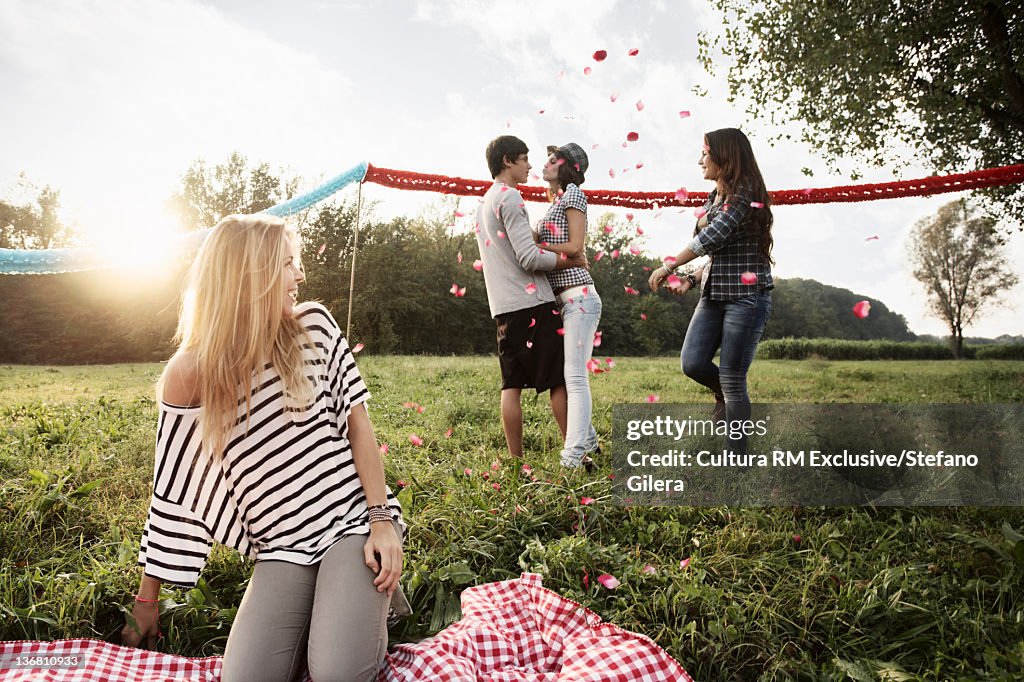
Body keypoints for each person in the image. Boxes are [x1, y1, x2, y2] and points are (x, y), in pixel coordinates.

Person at [121, 214, 405, 682]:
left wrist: (381, 523)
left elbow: (359, 428)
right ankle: (334, 610)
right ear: (247, 276)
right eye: (287, 264)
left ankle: (363, 605)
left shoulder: (313, 325)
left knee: (335, 673)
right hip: (280, 547)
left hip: (352, 523)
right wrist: (147, 600)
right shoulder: (190, 373)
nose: (300, 276)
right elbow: (171, 489)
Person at [647, 128, 774, 455]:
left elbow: (714, 236)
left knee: (733, 378)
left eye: (705, 153)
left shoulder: (746, 190)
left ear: (725, 155)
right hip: (714, 294)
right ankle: (726, 396)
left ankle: (737, 458)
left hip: (747, 297)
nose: (700, 160)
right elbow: (718, 252)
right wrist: (691, 276)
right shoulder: (712, 197)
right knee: (692, 362)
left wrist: (670, 266)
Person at [477, 135, 588, 459]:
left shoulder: (485, 201)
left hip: (502, 308)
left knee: (511, 386)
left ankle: (516, 461)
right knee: (558, 381)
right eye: (524, 159)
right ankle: (576, 453)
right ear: (508, 161)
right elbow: (527, 257)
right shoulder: (510, 198)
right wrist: (568, 260)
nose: (529, 165)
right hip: (530, 305)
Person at [536, 143, 601, 470]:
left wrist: (534, 244)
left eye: (552, 160)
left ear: (568, 167)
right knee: (568, 375)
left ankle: (573, 456)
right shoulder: (557, 200)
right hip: (563, 301)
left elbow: (576, 246)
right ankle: (588, 440)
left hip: (579, 297)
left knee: (575, 378)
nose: (545, 164)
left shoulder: (574, 194)